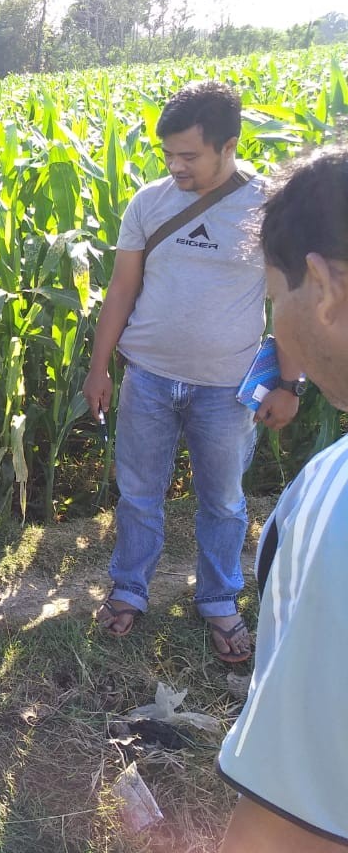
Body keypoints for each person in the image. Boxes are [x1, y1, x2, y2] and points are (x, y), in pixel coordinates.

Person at [82, 81, 301, 663]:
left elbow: (286, 301)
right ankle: (128, 590)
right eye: (168, 155)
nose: (175, 166)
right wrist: (99, 367)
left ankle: (220, 601)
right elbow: (122, 288)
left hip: (226, 389)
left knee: (225, 502)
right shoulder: (148, 202)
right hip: (148, 376)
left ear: (228, 146)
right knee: (137, 495)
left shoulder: (267, 207)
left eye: (189, 156)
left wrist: (289, 381)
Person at [216, 145, 348, 851]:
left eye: (274, 296)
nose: (276, 325)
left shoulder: (334, 501)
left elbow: (290, 825)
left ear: (321, 285)